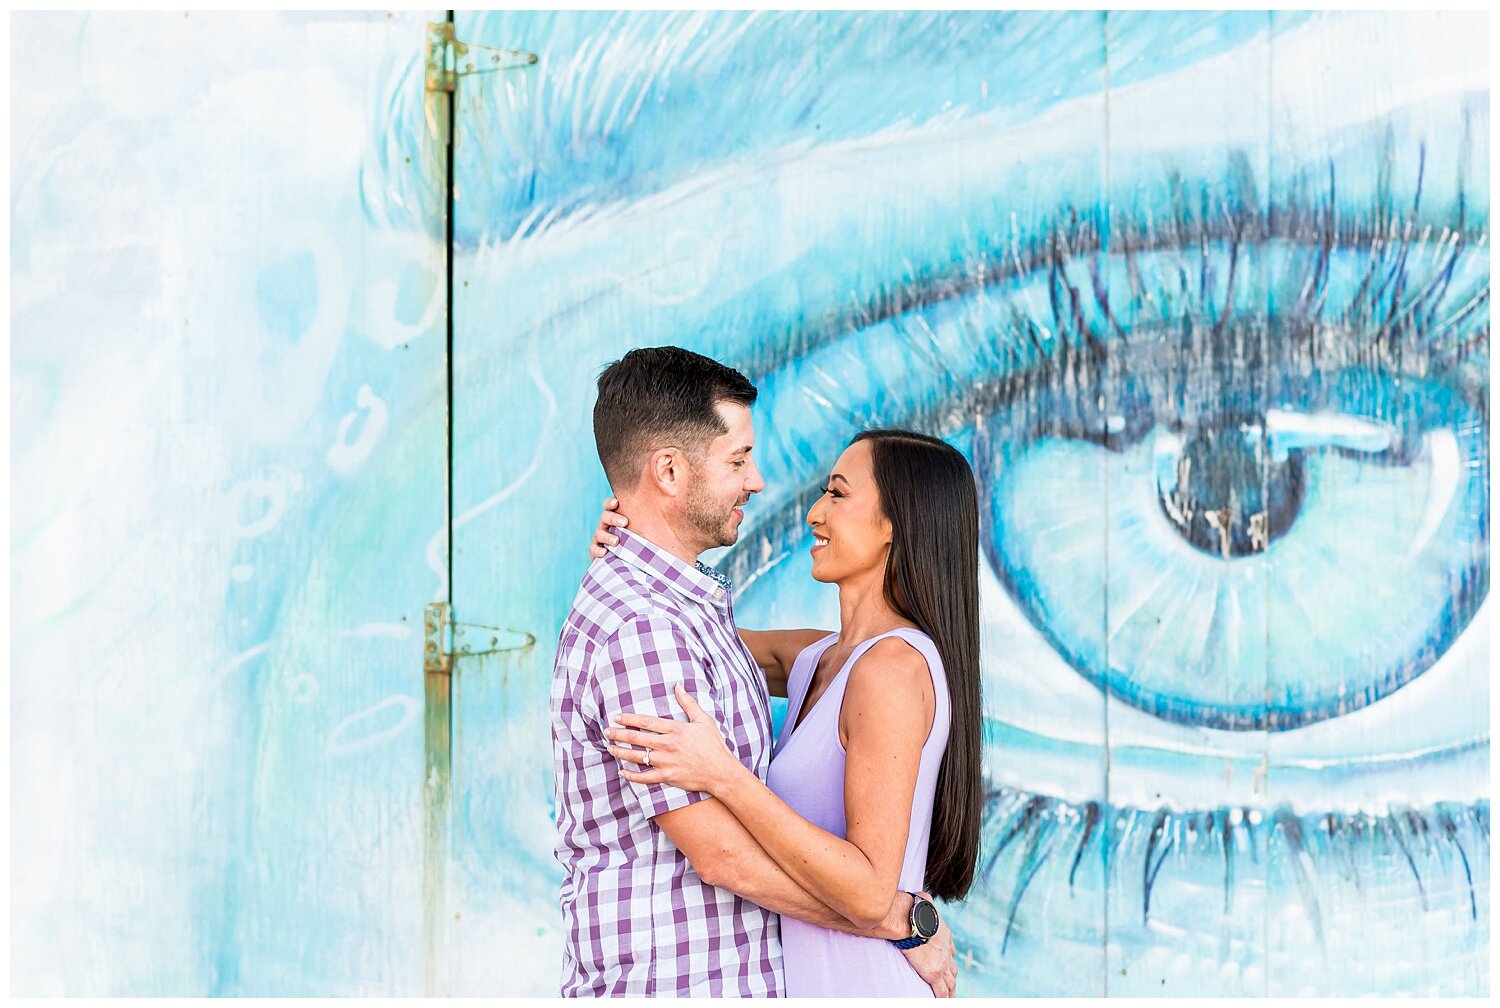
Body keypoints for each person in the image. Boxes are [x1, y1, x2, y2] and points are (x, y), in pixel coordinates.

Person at [552, 346, 958, 997]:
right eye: (738, 459)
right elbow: (721, 854)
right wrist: (900, 919)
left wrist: (624, 571)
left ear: (895, 528)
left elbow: (710, 651)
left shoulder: (869, 665)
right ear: (668, 472)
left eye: (837, 494)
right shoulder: (649, 629)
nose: (764, 484)